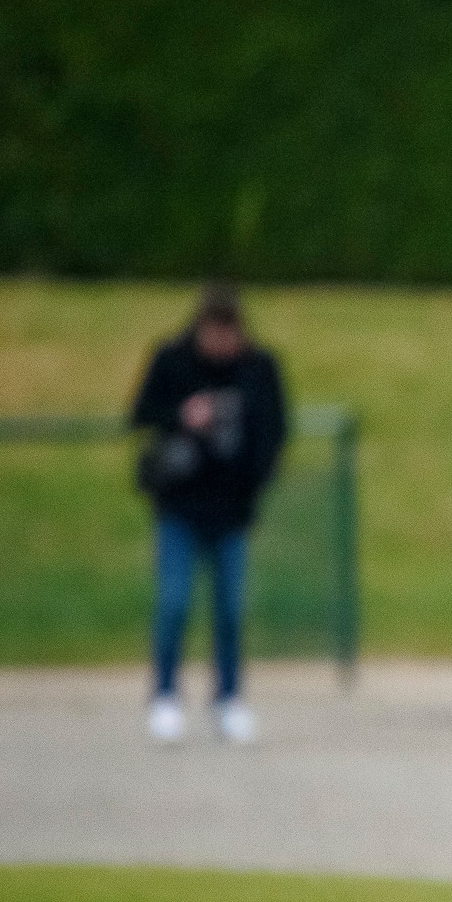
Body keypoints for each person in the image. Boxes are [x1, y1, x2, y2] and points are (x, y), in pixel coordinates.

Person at [129, 282, 288, 745]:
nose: (220, 344)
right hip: (180, 506)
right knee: (175, 602)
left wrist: (255, 485)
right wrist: (182, 415)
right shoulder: (173, 362)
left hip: (232, 511)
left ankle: (229, 698)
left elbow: (273, 431)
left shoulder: (259, 370)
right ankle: (165, 696)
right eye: (211, 333)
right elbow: (142, 414)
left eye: (228, 334)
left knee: (230, 609)